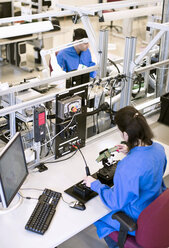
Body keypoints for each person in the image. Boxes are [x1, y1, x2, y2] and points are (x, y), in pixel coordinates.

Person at [83, 106, 167, 248]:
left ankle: (118, 244)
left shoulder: (127, 167)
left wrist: (94, 184)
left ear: (126, 135)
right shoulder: (159, 149)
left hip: (136, 219)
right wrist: (132, 151)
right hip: (153, 210)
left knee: (94, 214)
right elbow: (152, 171)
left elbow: (116, 203)